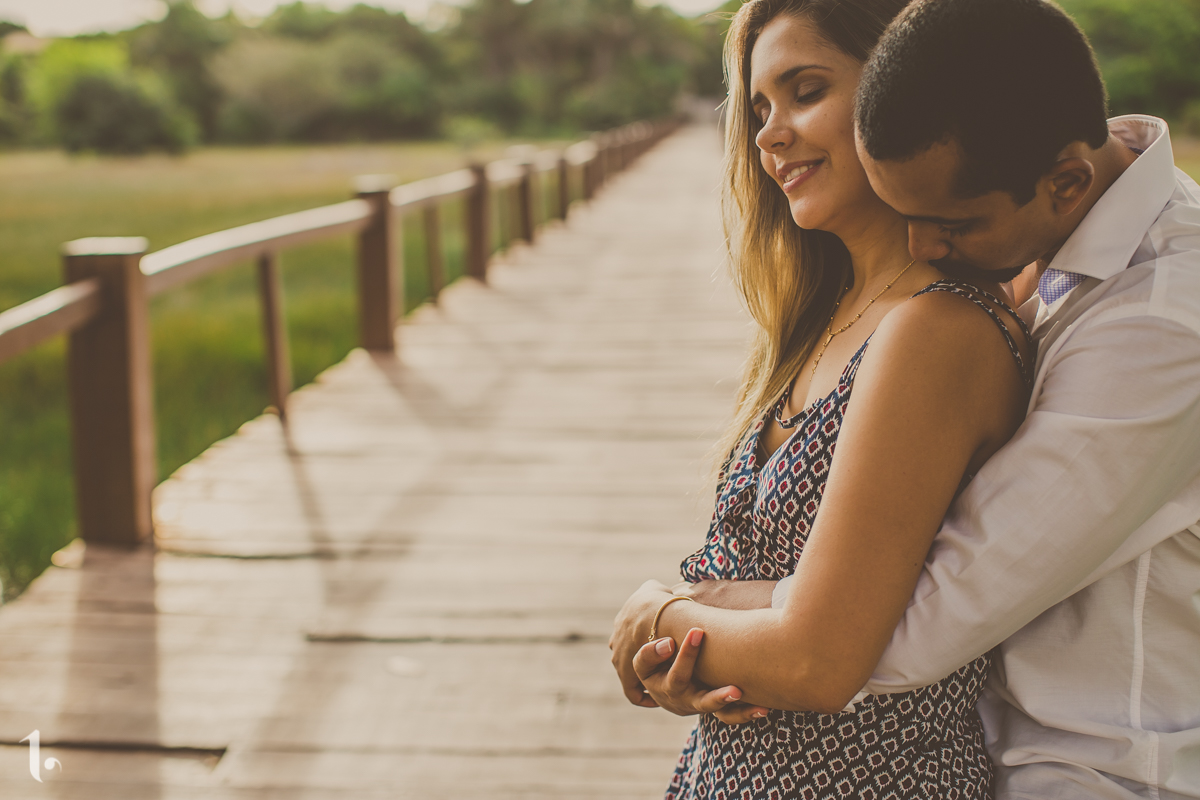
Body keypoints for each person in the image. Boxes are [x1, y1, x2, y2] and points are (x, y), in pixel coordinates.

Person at [616, 0, 1200, 798]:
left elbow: (871, 635)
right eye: (758, 106)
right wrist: (697, 641)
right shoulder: (1023, 243)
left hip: (1090, 769)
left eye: (807, 90)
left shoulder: (1158, 317)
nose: (768, 133)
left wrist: (667, 619)